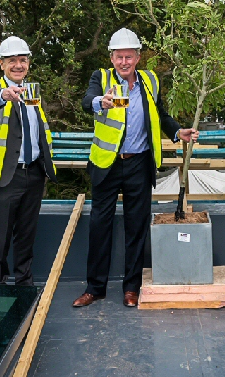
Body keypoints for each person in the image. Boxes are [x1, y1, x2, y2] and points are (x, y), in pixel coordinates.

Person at [72, 28, 198, 308]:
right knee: (99, 226)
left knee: (136, 226)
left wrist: (178, 133)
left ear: (138, 57)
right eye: (119, 57)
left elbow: (161, 115)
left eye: (129, 56)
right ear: (112, 57)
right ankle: (95, 288)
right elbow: (86, 101)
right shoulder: (101, 78)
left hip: (139, 164)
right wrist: (99, 102)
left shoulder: (150, 81)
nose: (124, 62)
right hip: (106, 164)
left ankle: (132, 288)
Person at [0, 36, 57, 286]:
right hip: (5, 176)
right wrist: (4, 95)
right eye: (13, 61)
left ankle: (24, 285)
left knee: (27, 235)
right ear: (2, 63)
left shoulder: (32, 91)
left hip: (33, 173)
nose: (19, 65)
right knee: (0, 238)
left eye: (23, 60)